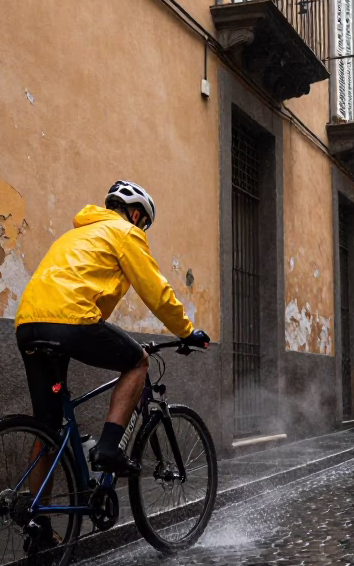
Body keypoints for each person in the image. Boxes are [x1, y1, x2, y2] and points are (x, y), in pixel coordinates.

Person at [14, 180, 209, 477]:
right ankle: (108, 449)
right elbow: (156, 292)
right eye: (143, 224)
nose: (141, 229)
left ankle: (33, 506)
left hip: (28, 325)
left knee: (48, 428)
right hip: (71, 320)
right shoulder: (125, 232)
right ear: (135, 215)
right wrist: (186, 331)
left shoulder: (73, 235)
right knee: (138, 361)